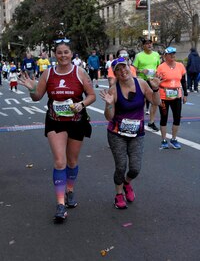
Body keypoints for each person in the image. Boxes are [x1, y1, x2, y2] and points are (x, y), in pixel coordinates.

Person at [18, 38, 96, 223]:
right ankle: (60, 205)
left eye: (66, 52)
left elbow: (91, 95)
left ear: (71, 54)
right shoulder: (48, 73)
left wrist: (81, 104)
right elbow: (37, 97)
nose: (63, 55)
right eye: (59, 52)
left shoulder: (80, 72)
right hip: (55, 121)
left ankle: (70, 191)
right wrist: (32, 89)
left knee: (72, 160)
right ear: (55, 54)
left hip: (77, 121)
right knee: (60, 161)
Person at [100, 56, 161, 209]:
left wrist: (155, 89)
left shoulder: (141, 84)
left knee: (135, 168)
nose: (122, 71)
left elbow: (156, 102)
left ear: (129, 67)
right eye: (118, 70)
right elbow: (109, 117)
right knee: (121, 166)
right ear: (115, 74)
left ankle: (127, 183)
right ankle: (119, 194)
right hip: (116, 133)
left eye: (124, 67)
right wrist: (109, 104)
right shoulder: (113, 90)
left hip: (137, 133)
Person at [156, 47, 188, 149]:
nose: (172, 56)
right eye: (170, 54)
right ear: (165, 56)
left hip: (176, 96)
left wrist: (185, 94)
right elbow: (156, 82)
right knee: (164, 118)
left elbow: (183, 81)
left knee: (177, 117)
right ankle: (164, 140)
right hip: (164, 96)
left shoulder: (180, 66)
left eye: (174, 54)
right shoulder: (161, 67)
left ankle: (174, 139)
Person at [133, 38, 160, 131]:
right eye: (147, 44)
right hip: (142, 80)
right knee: (142, 101)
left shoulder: (156, 55)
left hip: (153, 80)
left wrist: (157, 73)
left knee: (155, 101)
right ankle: (139, 120)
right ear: (143, 46)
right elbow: (133, 69)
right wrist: (141, 71)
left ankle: (151, 122)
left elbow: (158, 67)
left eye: (150, 44)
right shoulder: (139, 56)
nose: (149, 45)